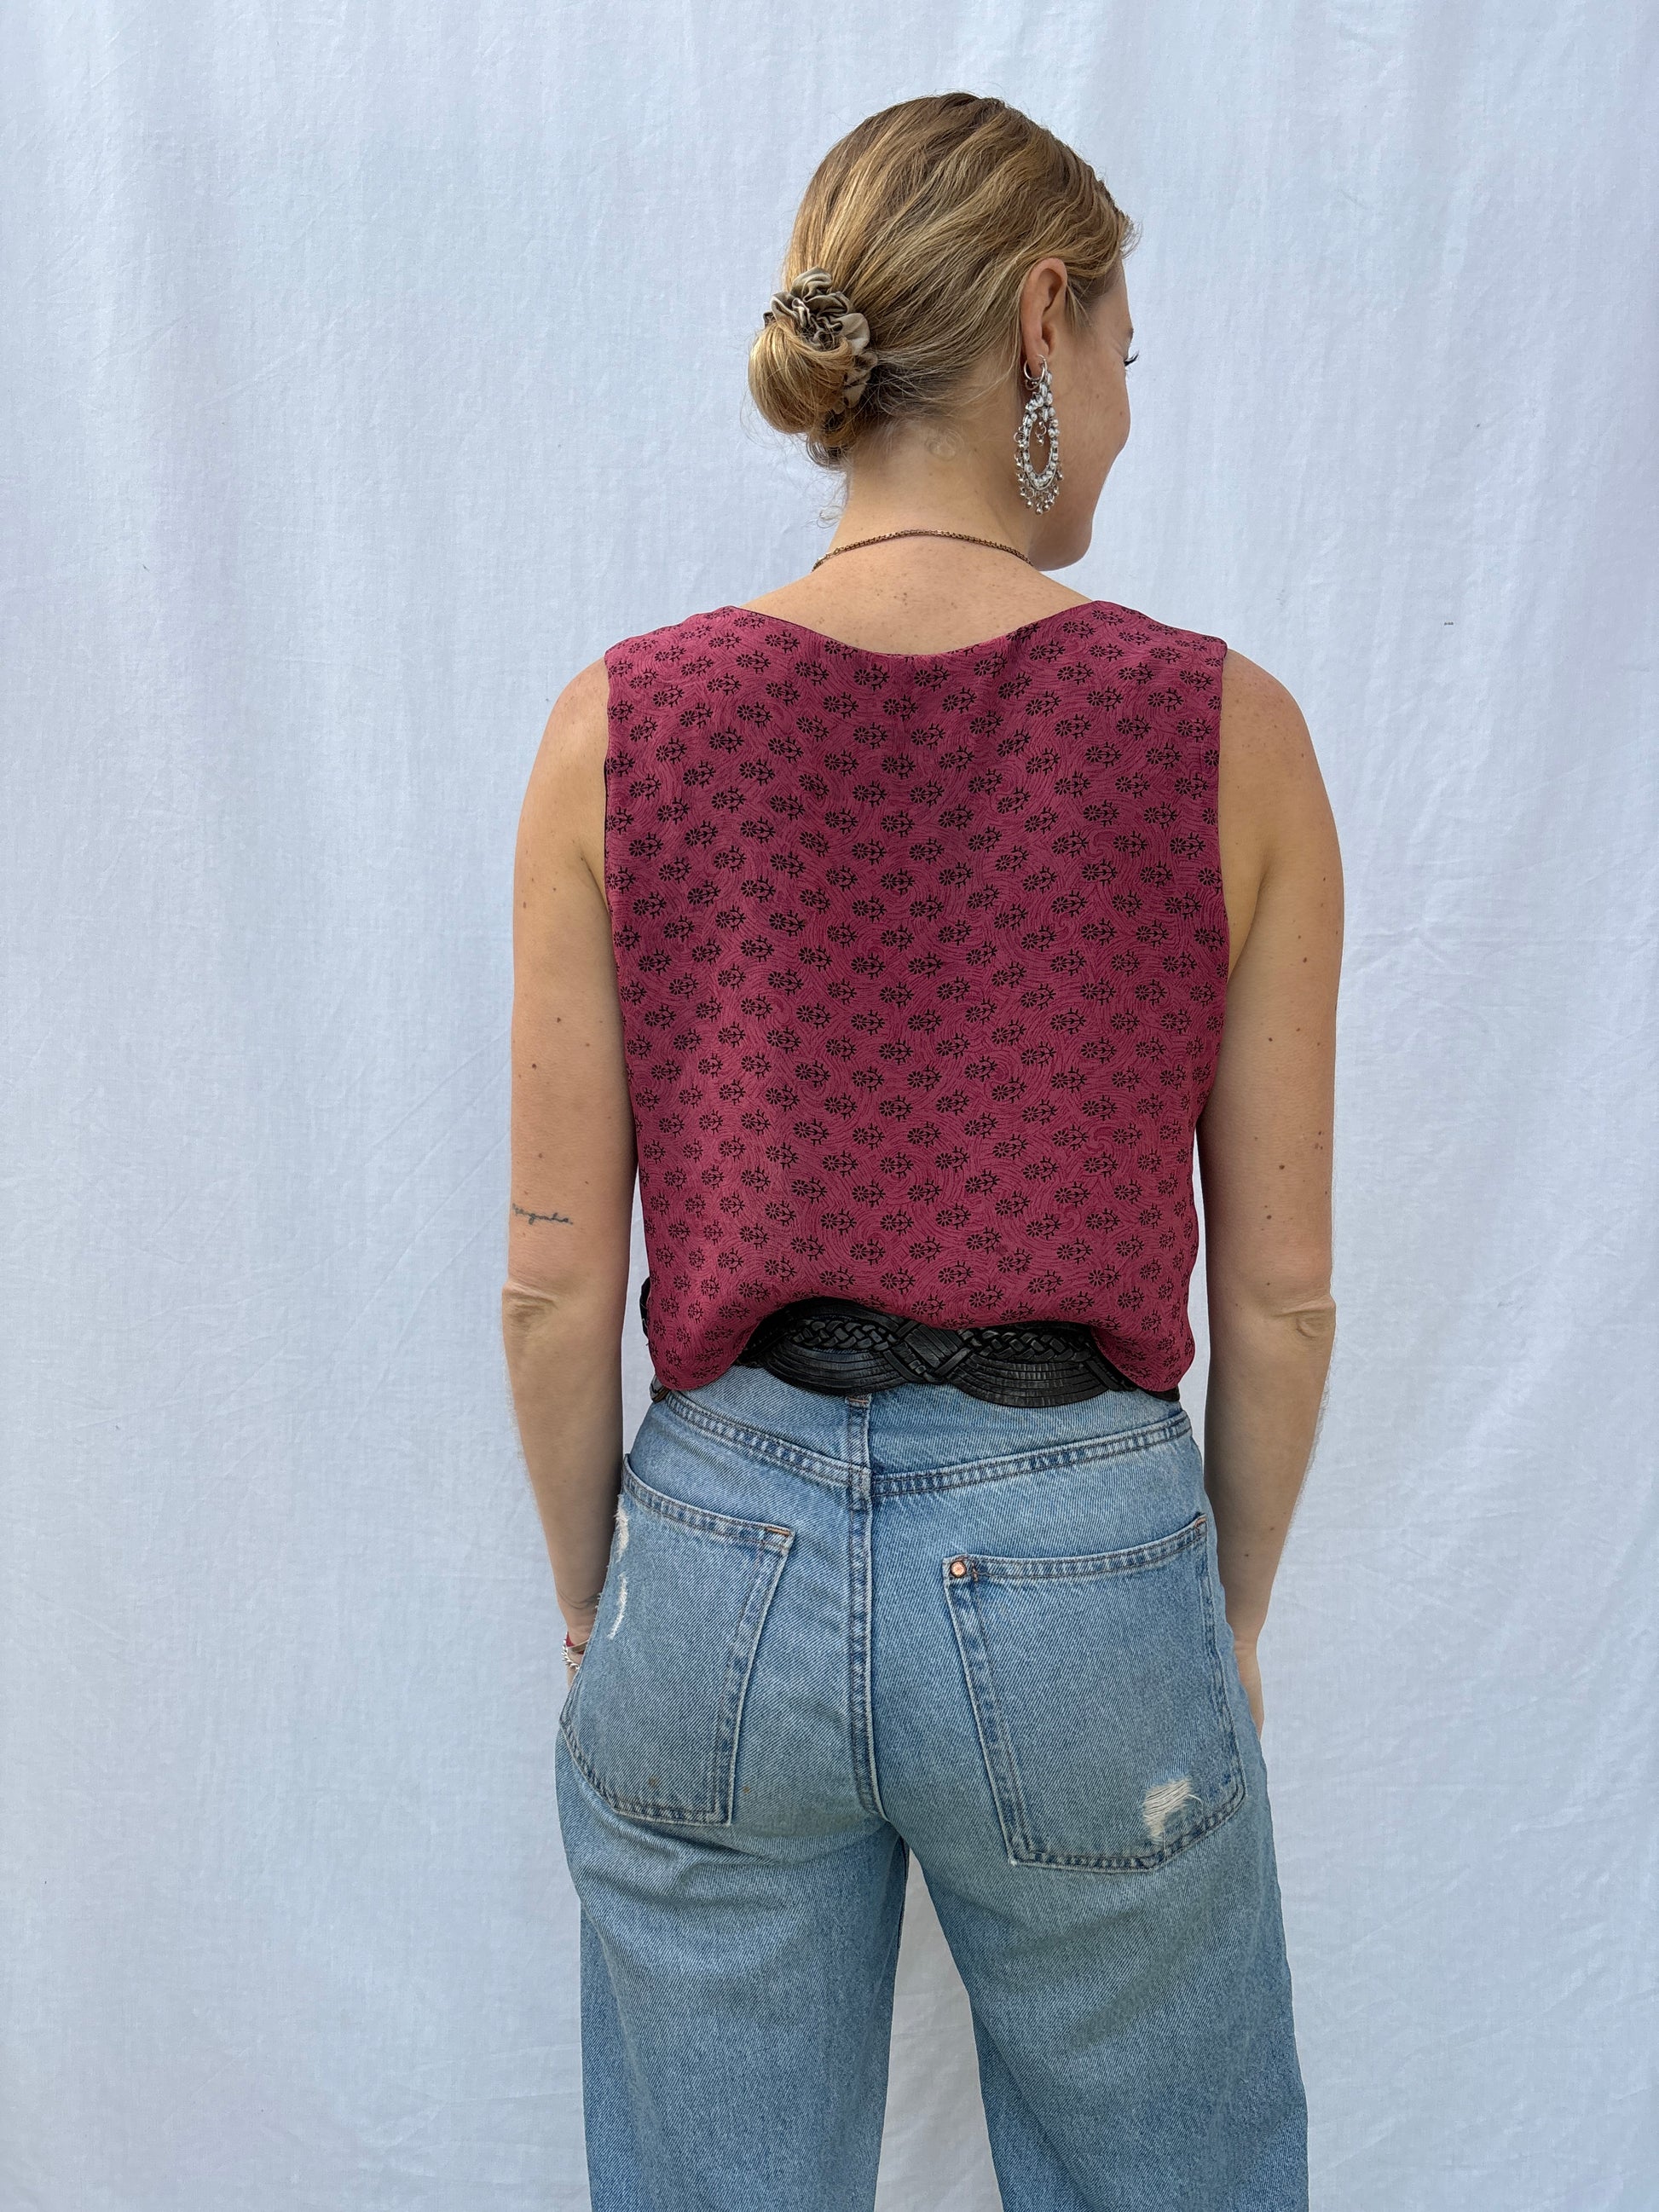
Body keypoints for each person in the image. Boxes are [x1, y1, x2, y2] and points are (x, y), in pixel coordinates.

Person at [501, 90, 1341, 2212]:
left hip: (713, 1548)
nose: (1129, 409)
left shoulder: (618, 725)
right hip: (1085, 1565)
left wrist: (608, 1597)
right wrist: (1220, 1611)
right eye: (1127, 350)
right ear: (1043, 323)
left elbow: (547, 1278)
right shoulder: (1227, 733)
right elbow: (1278, 1294)